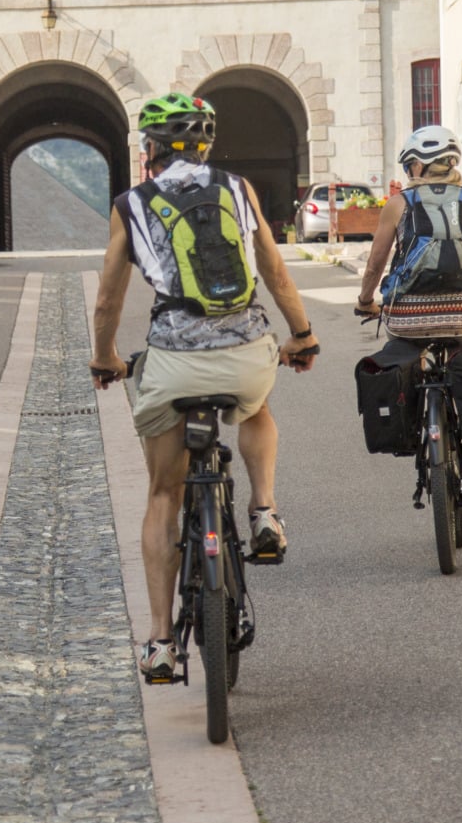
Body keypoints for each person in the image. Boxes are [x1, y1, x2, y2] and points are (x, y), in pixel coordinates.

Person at [90, 92, 319, 685]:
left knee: (163, 493)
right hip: (245, 354)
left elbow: (109, 298)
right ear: (204, 146)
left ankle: (161, 642)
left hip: (173, 365)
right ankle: (264, 510)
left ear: (151, 150)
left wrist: (105, 357)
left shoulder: (130, 204)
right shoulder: (238, 189)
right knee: (256, 406)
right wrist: (302, 335)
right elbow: (274, 270)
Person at [354, 125, 462, 530]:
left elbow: (376, 264)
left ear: (415, 166)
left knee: (407, 365)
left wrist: (365, 301)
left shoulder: (398, 204)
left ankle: (420, 427)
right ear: (452, 163)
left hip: (408, 319)